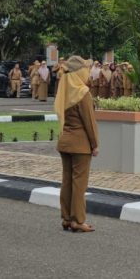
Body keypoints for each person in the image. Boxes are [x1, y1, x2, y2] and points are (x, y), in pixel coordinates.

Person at [54, 55, 98, 233]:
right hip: (80, 145)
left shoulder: (64, 91)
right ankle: (78, 220)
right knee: (79, 183)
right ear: (80, 72)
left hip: (64, 141)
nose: (88, 73)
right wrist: (95, 144)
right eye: (86, 70)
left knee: (67, 181)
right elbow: (90, 122)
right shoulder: (82, 93)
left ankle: (66, 218)